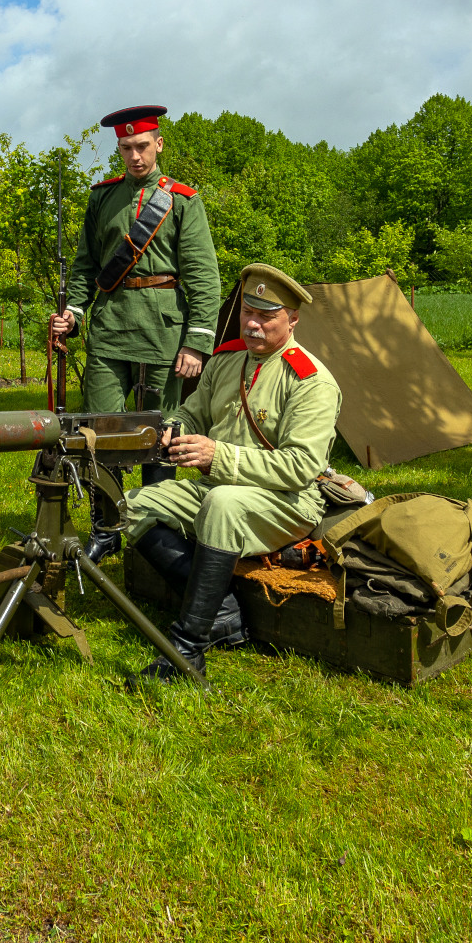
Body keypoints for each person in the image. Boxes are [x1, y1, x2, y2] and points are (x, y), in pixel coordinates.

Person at [107, 263, 341, 686]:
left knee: (222, 503)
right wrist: (174, 430)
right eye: (247, 312)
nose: (252, 324)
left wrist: (217, 457)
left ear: (292, 320)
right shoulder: (226, 362)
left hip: (288, 501)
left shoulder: (310, 381)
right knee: (133, 507)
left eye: (266, 317)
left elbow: (300, 467)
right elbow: (191, 414)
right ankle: (225, 613)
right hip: (221, 487)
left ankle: (186, 650)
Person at [50, 105, 220, 501]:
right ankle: (105, 529)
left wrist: (196, 342)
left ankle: (153, 525)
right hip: (110, 329)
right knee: (100, 432)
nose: (135, 156)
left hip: (164, 331)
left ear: (158, 144)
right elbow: (86, 266)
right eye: (126, 148)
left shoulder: (182, 201)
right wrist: (73, 313)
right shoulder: (102, 197)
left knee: (162, 435)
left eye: (142, 146)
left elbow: (203, 277)